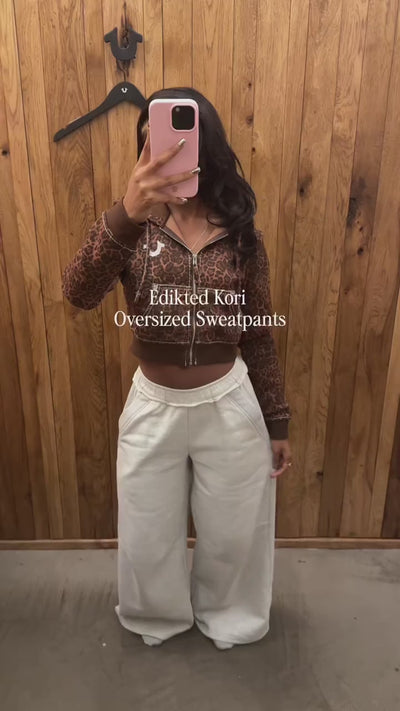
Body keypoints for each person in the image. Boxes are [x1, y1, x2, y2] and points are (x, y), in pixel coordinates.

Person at [62, 87, 293, 650]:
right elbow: (79, 292)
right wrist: (126, 213)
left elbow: (258, 331)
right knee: (147, 533)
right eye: (150, 143)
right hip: (153, 405)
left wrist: (277, 420)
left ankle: (231, 616)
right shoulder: (131, 227)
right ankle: (156, 616)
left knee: (234, 533)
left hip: (229, 404)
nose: (162, 153)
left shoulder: (240, 232)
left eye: (175, 141)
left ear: (204, 147)